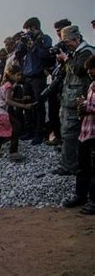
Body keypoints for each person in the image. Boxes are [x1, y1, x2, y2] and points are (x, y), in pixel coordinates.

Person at [53, 26, 95, 176]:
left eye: (67, 42)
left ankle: (70, 166)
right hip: (71, 99)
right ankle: (73, 164)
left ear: (77, 38)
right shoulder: (76, 53)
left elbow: (79, 70)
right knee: (69, 134)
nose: (66, 45)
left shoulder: (87, 52)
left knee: (70, 134)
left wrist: (66, 59)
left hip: (79, 100)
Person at [0, 65, 34, 165]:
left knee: (1, 134)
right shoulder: (9, 85)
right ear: (11, 75)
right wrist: (24, 106)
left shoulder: (4, 83)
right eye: (18, 75)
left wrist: (21, 100)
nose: (19, 77)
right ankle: (13, 152)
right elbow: (8, 101)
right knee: (17, 126)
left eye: (20, 75)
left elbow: (5, 98)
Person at [17, 17, 53, 145]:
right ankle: (29, 130)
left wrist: (35, 44)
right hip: (27, 77)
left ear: (35, 28)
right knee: (27, 104)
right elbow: (18, 55)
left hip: (38, 77)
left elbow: (46, 55)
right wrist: (22, 43)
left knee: (39, 106)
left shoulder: (45, 38)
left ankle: (39, 132)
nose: (27, 32)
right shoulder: (27, 41)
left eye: (28, 29)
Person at [67, 55, 95, 214]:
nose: (90, 72)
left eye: (92, 68)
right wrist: (82, 105)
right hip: (85, 131)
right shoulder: (91, 85)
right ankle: (81, 196)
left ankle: (93, 200)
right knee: (83, 167)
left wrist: (87, 108)